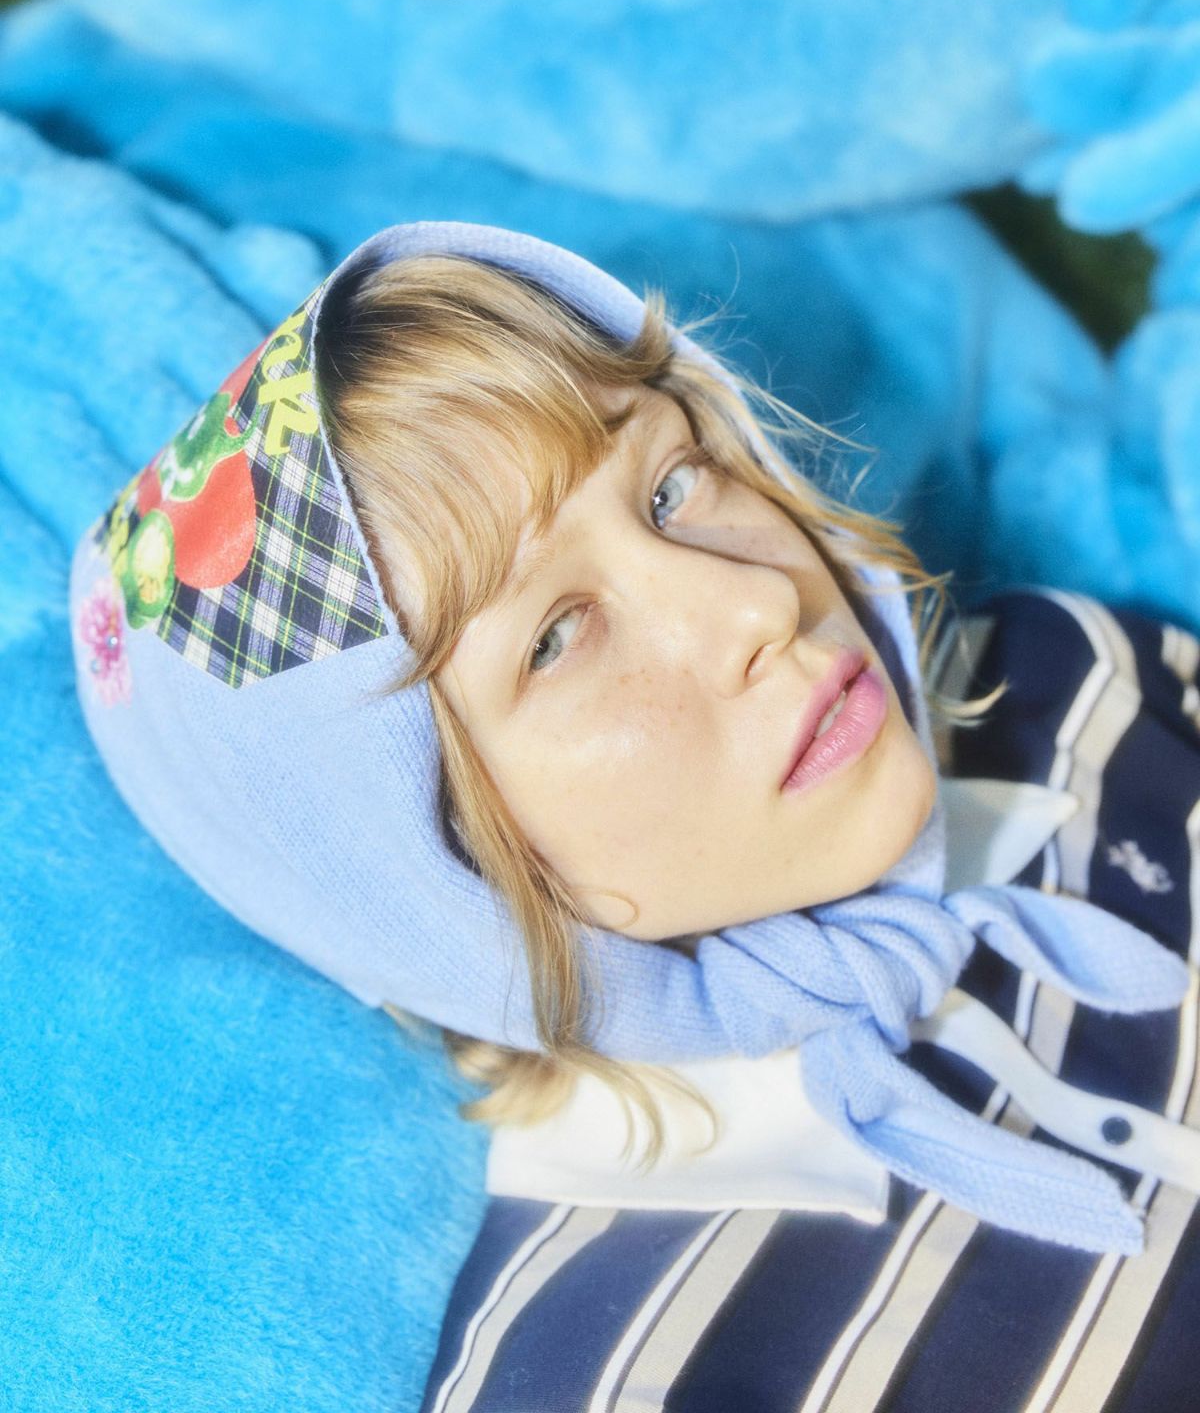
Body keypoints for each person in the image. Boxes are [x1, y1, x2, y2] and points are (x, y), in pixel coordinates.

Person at [69, 222, 1200, 1412]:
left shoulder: (1074, 681)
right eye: (556, 638)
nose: (755, 603)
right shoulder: (614, 1374)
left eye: (669, 486)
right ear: (435, 887)